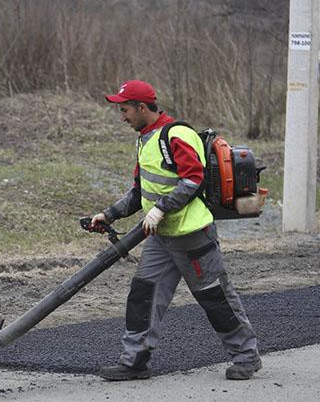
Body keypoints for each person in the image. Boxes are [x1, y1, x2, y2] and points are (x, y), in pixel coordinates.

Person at [91, 80, 261, 381]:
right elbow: (141, 191)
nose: (122, 117)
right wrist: (110, 214)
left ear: (142, 107)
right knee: (143, 295)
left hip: (193, 235)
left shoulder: (176, 134)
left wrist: (160, 209)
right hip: (161, 237)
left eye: (125, 110)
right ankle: (134, 361)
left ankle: (246, 357)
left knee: (215, 297)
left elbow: (193, 179)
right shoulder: (145, 139)